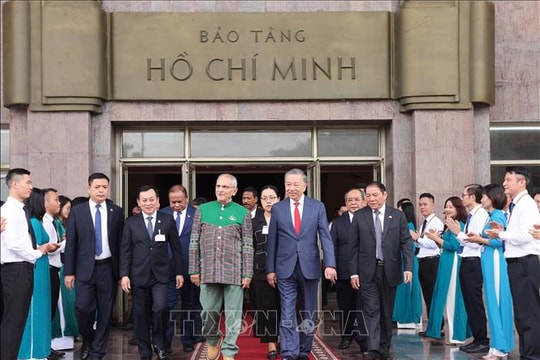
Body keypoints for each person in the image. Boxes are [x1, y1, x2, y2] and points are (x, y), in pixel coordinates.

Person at [266, 168, 337, 360]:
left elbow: (325, 237)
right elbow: (272, 240)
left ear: (305, 186)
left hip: (310, 266)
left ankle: (304, 349)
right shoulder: (278, 208)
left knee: (308, 311)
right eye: (288, 184)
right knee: (287, 310)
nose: (291, 188)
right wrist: (270, 269)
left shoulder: (317, 207)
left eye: (296, 184)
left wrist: (330, 264)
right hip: (284, 267)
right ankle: (289, 351)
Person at [189, 174, 253, 360]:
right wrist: (194, 270)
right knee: (207, 312)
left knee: (233, 315)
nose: (220, 190)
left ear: (234, 190)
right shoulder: (203, 210)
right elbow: (194, 242)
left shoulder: (243, 213)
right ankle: (213, 339)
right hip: (207, 271)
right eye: (218, 186)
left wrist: (247, 272)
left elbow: (248, 245)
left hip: (233, 271)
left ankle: (229, 351)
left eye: (225, 187)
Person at [348, 182, 413, 360]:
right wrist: (353, 272)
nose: (371, 199)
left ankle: (384, 346)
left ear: (384, 195)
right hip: (367, 271)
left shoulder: (397, 216)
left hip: (390, 270)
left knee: (386, 311)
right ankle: (373, 348)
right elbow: (353, 247)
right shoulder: (359, 216)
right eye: (368, 195)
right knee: (371, 309)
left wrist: (408, 267)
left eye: (375, 195)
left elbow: (406, 243)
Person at [64, 173, 125, 360]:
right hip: (84, 269)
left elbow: (122, 244)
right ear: (89, 188)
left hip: (108, 267)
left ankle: (97, 350)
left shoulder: (117, 211)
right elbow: (72, 242)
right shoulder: (78, 211)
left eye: (104, 187)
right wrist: (69, 272)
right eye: (97, 187)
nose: (101, 190)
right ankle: (88, 339)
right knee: (83, 308)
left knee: (106, 311)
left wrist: (123, 273)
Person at [120, 185, 184, 360]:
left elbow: (176, 249)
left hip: (161, 275)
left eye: (151, 200)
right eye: (144, 200)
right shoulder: (130, 223)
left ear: (157, 201)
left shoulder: (167, 220)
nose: (148, 203)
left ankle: (160, 344)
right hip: (138, 275)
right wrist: (124, 275)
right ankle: (144, 350)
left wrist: (179, 272)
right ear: (139, 203)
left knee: (161, 309)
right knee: (140, 315)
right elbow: (125, 251)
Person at [485, 167, 540, 359]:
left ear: (522, 182)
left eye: (508, 180)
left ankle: (532, 356)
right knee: (521, 315)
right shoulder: (517, 205)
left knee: (528, 315)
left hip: (525, 263)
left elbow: (526, 236)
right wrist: (503, 230)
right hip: (517, 263)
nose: (504, 183)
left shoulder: (527, 205)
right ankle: (527, 354)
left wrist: (500, 234)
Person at [1, 169, 55, 360]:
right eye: (28, 182)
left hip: (22, 268)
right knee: (13, 323)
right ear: (15, 184)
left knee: (17, 323)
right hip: (15, 269)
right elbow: (12, 243)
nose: (31, 187)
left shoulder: (20, 210)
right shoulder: (8, 210)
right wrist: (36, 252)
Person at [466, 184, 514, 359]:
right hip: (489, 261)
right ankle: (497, 345)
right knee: (493, 304)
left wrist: (479, 239)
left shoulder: (497, 216)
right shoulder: (492, 216)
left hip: (495, 261)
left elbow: (498, 241)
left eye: (484, 196)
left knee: (497, 304)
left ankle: (500, 347)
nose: (482, 199)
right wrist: (479, 239)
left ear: (493, 197)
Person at [446, 184, 490, 354]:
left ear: (473, 197)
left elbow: (475, 239)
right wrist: (458, 233)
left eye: (464, 194)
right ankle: (477, 338)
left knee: (474, 302)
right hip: (466, 260)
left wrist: (457, 233)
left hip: (473, 261)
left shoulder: (480, 215)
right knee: (470, 303)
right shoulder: (473, 215)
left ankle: (481, 339)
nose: (462, 197)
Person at [17, 188, 61, 360]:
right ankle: (32, 352)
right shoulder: (34, 222)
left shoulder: (37, 221)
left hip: (42, 269)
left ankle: (40, 351)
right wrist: (46, 248)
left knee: (42, 309)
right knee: (35, 310)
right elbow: (30, 248)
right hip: (37, 269)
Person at [160, 184, 203, 354]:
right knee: (168, 306)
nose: (176, 205)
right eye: (173, 202)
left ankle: (188, 339)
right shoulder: (162, 214)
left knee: (190, 306)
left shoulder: (197, 214)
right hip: (167, 269)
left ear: (186, 198)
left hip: (191, 268)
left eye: (180, 201)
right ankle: (165, 342)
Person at [424, 196, 470, 344]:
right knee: (444, 297)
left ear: (458, 208)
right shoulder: (449, 224)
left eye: (451, 207)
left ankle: (457, 335)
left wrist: (436, 239)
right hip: (445, 262)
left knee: (453, 298)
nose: (447, 209)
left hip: (453, 263)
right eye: (446, 206)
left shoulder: (459, 224)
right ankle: (450, 334)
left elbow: (455, 246)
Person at [330, 187, 368, 351]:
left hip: (366, 271)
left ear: (363, 201)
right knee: (346, 307)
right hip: (344, 271)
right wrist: (331, 267)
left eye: (356, 199)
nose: (353, 203)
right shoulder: (338, 222)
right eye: (350, 200)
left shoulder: (369, 218)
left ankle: (364, 339)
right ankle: (346, 336)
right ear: (345, 203)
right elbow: (332, 247)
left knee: (365, 307)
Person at [251, 185, 281, 360]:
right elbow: (250, 248)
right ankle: (271, 344)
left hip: (284, 270)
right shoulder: (254, 221)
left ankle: (284, 339)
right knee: (267, 308)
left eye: (272, 197)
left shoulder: (285, 219)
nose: (268, 201)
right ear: (260, 201)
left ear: (278, 198)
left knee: (285, 307)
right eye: (265, 198)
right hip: (261, 272)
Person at [51, 196, 80, 349]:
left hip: (63, 265)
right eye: (67, 207)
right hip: (58, 266)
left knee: (67, 303)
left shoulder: (61, 223)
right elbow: (53, 246)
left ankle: (67, 336)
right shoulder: (54, 223)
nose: (68, 211)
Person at [42, 188, 67, 359]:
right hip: (49, 269)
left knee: (50, 311)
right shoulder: (45, 222)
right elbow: (51, 249)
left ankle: (47, 346)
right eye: (56, 200)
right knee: (48, 311)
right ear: (45, 202)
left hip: (54, 269)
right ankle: (46, 347)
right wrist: (67, 242)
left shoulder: (52, 221)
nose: (59, 203)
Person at [415, 193, 444, 337]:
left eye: (425, 204)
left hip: (431, 261)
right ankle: (433, 326)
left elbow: (434, 244)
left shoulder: (436, 223)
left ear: (433, 205)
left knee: (432, 295)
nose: (422, 207)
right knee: (428, 295)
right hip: (423, 262)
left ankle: (437, 327)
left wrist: (418, 239)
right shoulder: (424, 223)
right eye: (420, 204)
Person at [392, 199, 422, 329]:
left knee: (406, 289)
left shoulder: (408, 226)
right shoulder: (409, 225)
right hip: (404, 259)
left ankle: (406, 317)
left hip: (406, 261)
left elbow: (410, 246)